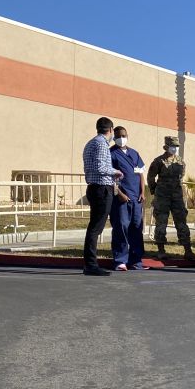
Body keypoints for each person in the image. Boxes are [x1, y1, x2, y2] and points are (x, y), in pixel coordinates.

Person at [147, 135, 195, 263]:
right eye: (172, 146)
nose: (175, 149)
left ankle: (188, 251)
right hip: (162, 197)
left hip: (176, 197)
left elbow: (180, 178)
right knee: (161, 222)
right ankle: (161, 251)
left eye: (176, 146)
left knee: (181, 222)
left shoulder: (180, 162)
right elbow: (150, 177)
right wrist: (155, 191)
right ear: (166, 147)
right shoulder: (159, 161)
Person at [81, 116, 121, 276]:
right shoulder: (101, 144)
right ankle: (90, 264)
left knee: (94, 227)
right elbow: (100, 166)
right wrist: (116, 171)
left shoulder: (92, 142)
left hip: (96, 188)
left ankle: (90, 263)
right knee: (95, 228)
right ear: (110, 130)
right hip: (101, 189)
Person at [109, 126, 146, 271]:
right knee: (121, 227)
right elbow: (109, 178)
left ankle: (136, 260)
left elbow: (140, 173)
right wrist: (120, 194)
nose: (121, 138)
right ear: (114, 137)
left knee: (136, 228)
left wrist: (143, 192)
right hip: (121, 199)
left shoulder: (134, 154)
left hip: (136, 199)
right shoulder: (111, 154)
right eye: (118, 136)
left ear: (127, 136)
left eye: (123, 135)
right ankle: (120, 260)